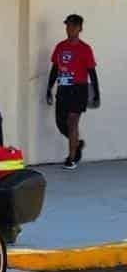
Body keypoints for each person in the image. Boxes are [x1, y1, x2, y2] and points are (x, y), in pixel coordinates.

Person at [46, 14, 100, 170]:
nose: (70, 29)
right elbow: (55, 69)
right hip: (63, 88)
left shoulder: (85, 49)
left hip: (78, 89)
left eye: (73, 26)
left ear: (80, 28)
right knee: (60, 123)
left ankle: (72, 157)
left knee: (72, 122)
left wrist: (96, 93)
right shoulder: (60, 47)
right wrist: (49, 88)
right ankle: (76, 143)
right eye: (68, 26)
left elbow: (92, 72)